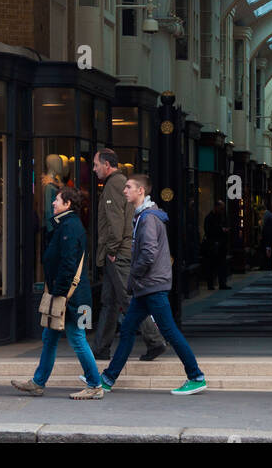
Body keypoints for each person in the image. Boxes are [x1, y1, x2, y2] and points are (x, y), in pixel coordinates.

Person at [99, 173, 207, 395]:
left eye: (129, 187)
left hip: (152, 285)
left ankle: (196, 376)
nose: (124, 190)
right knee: (128, 329)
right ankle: (108, 378)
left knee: (169, 331)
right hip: (146, 286)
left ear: (141, 191)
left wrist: (133, 275)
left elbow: (148, 254)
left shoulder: (148, 219)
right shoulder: (143, 216)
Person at [12, 186, 104, 399]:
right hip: (71, 296)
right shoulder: (66, 225)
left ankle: (95, 385)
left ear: (67, 204)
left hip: (71, 298)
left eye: (57, 199)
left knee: (78, 338)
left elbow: (68, 263)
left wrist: (58, 294)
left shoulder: (70, 227)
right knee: (50, 337)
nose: (53, 203)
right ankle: (38, 382)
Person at [89, 149, 164, 362]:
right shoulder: (120, 182)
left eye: (96, 165)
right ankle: (101, 348)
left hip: (118, 254)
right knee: (109, 301)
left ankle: (155, 340)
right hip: (120, 252)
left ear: (106, 165)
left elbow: (116, 222)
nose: (94, 169)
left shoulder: (114, 184)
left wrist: (111, 251)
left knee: (129, 299)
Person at [202, 202, 230, 290]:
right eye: (221, 208)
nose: (222, 211)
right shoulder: (209, 218)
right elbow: (209, 231)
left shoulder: (220, 217)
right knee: (211, 265)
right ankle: (210, 284)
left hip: (221, 245)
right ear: (216, 207)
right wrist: (221, 230)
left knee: (221, 265)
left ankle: (222, 283)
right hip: (212, 245)